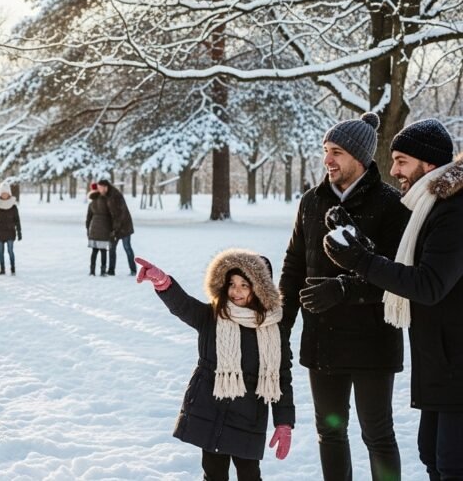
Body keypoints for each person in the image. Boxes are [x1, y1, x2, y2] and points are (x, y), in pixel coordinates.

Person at [323, 118, 463, 481]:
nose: (393, 170)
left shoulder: (454, 211)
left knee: (451, 464)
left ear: (428, 164)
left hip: (456, 364)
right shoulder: (430, 206)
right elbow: (411, 267)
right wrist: (363, 248)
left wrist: (360, 260)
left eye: (401, 160)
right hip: (441, 363)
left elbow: (429, 283)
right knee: (432, 456)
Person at [279, 112, 410, 481]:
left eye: (336, 151)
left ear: (361, 158)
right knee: (330, 432)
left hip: (374, 340)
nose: (327, 160)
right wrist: (280, 323)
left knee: (377, 434)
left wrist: (343, 289)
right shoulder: (311, 202)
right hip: (323, 340)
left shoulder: (391, 204)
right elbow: (293, 267)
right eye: (325, 150)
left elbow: (397, 277)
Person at [135, 250, 294, 480]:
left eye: (244, 285)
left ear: (260, 289)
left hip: (249, 418)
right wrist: (164, 283)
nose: (236, 291)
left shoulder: (274, 330)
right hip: (211, 410)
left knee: (249, 474)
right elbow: (184, 306)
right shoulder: (214, 316)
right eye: (231, 283)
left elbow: (281, 377)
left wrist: (284, 422)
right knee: (213, 473)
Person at [97, 178, 136, 276]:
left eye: (101, 188)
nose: (99, 190)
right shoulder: (106, 196)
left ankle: (133, 270)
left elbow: (120, 214)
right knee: (112, 248)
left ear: (106, 187)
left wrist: (115, 229)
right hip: (115, 227)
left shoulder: (115, 195)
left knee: (127, 247)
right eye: (98, 188)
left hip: (124, 226)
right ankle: (111, 270)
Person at [86, 183, 111, 276]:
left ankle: (92, 271)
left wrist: (88, 230)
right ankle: (103, 271)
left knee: (94, 251)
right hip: (104, 228)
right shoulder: (106, 202)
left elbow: (88, 218)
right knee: (103, 251)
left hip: (94, 228)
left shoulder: (92, 203)